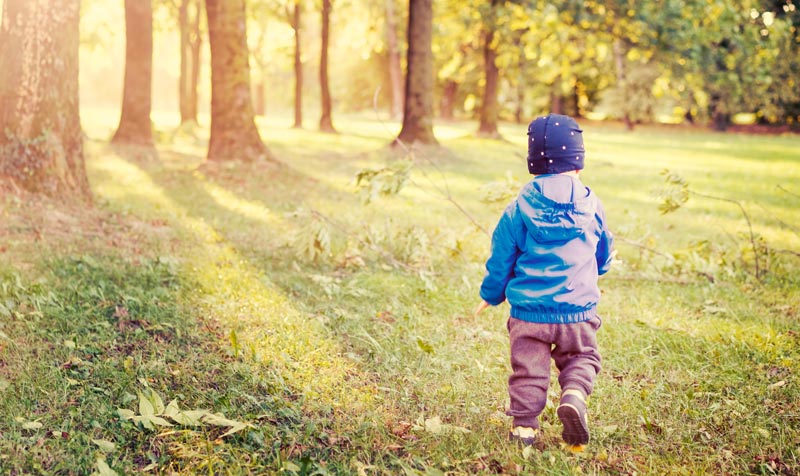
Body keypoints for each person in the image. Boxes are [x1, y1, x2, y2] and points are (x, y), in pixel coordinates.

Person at [475, 113, 614, 449]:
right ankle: (574, 394)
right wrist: (600, 266)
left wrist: (491, 294)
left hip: (529, 315)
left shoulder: (518, 207)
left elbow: (501, 258)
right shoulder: (591, 204)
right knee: (582, 357)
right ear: (578, 163)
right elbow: (603, 250)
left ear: (533, 162)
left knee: (529, 371)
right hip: (577, 312)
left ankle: (524, 430)